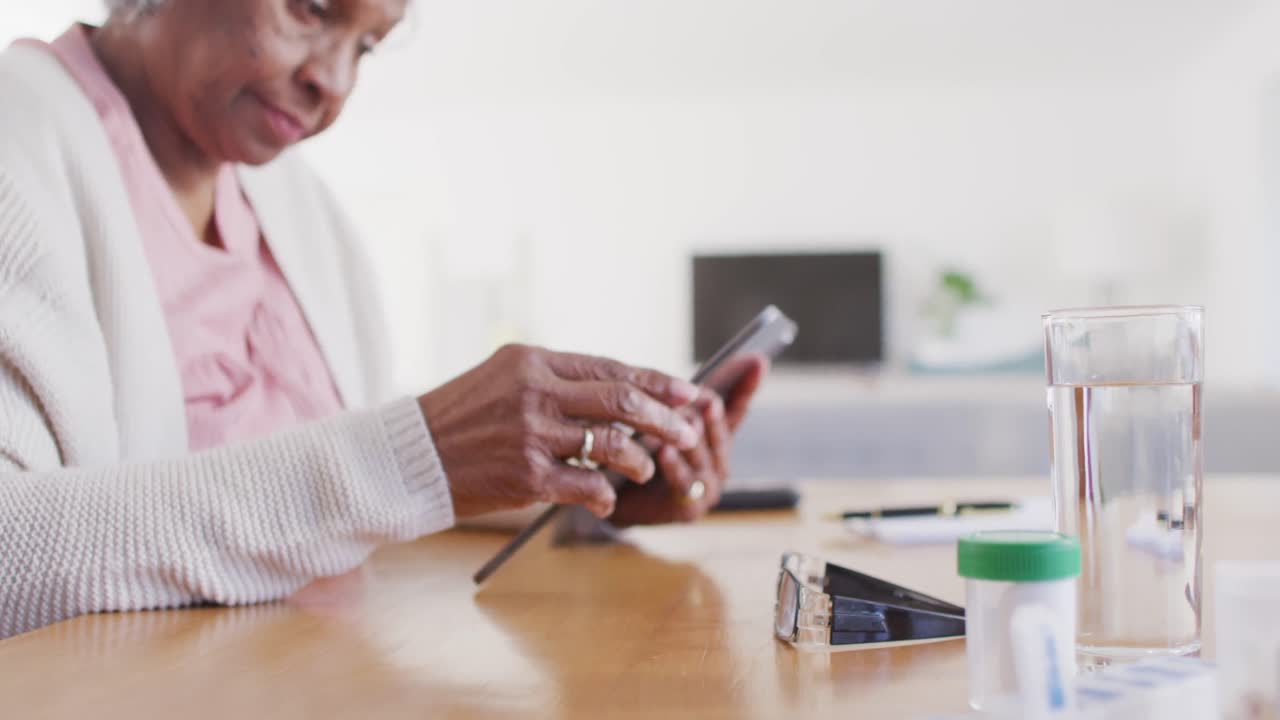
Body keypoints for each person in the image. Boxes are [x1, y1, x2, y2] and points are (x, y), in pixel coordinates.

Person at [0, 0, 766, 638]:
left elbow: (331, 507)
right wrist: (413, 456)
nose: (331, 83)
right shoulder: (20, 139)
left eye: (367, 46)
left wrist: (580, 487)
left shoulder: (299, 209)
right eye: (313, 10)